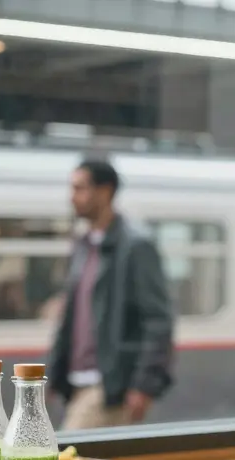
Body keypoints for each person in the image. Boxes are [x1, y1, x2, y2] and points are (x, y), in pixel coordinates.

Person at [49, 159, 174, 429]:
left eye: (80, 188)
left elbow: (158, 319)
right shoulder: (84, 245)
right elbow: (69, 318)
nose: (72, 197)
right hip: (76, 382)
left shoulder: (135, 245)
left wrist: (144, 385)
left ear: (105, 191)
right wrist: (52, 374)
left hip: (109, 385)